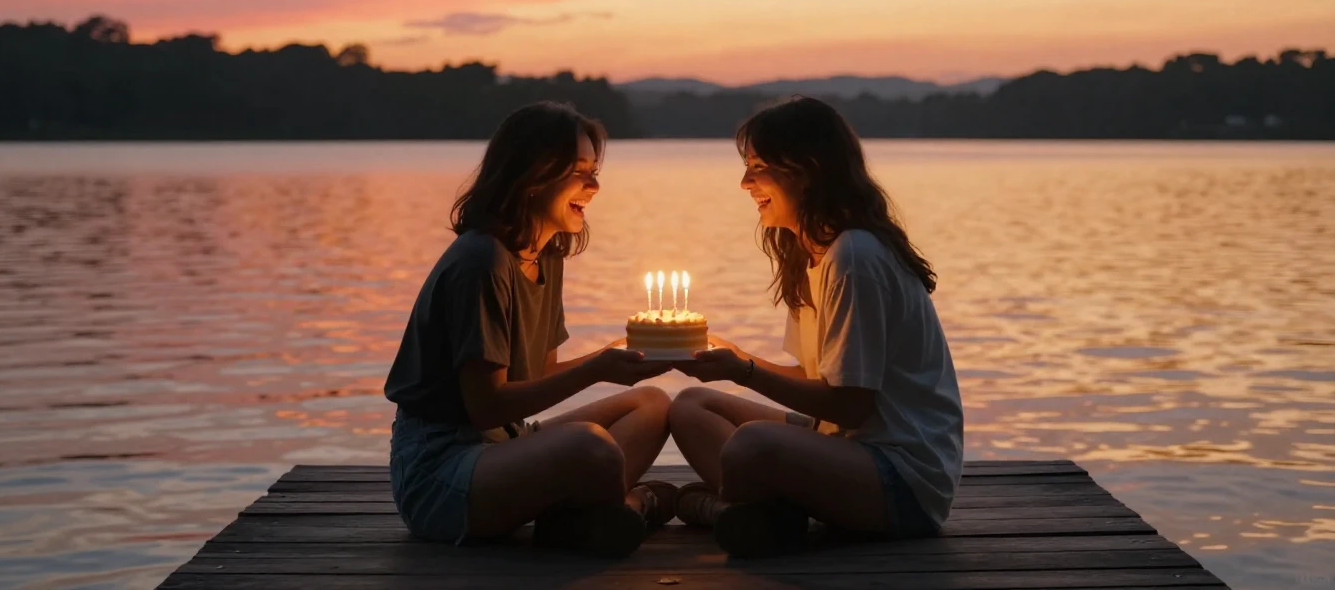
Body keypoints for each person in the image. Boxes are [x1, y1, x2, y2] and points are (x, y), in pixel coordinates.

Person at [670, 96, 964, 558]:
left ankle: (722, 509)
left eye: (758, 166)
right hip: (843, 449)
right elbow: (818, 381)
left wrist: (741, 372)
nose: (745, 182)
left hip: (902, 483)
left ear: (805, 170)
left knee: (752, 446)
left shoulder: (855, 258)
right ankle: (758, 510)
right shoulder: (814, 254)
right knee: (690, 406)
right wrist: (732, 357)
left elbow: (850, 405)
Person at [384, 101, 676, 557]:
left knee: (653, 404)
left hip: (507, 444)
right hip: (441, 474)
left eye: (595, 170)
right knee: (589, 447)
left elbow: (534, 381)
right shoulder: (481, 262)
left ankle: (581, 516)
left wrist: (622, 356)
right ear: (534, 176)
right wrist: (598, 368)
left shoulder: (545, 255)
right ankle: (628, 504)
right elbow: (485, 407)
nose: (595, 185)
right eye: (579, 171)